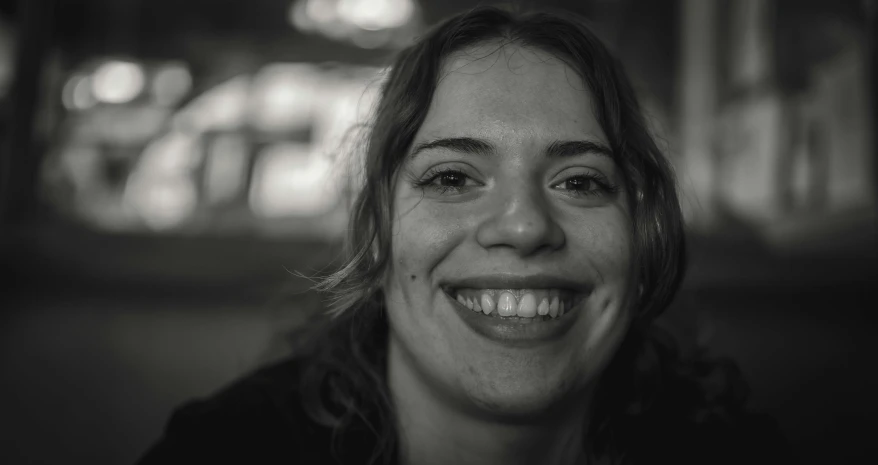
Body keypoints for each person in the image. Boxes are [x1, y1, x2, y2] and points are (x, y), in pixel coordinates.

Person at [138, 5, 791, 465]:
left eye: (581, 181)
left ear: (643, 231)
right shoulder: (224, 449)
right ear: (377, 226)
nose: (525, 225)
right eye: (452, 177)